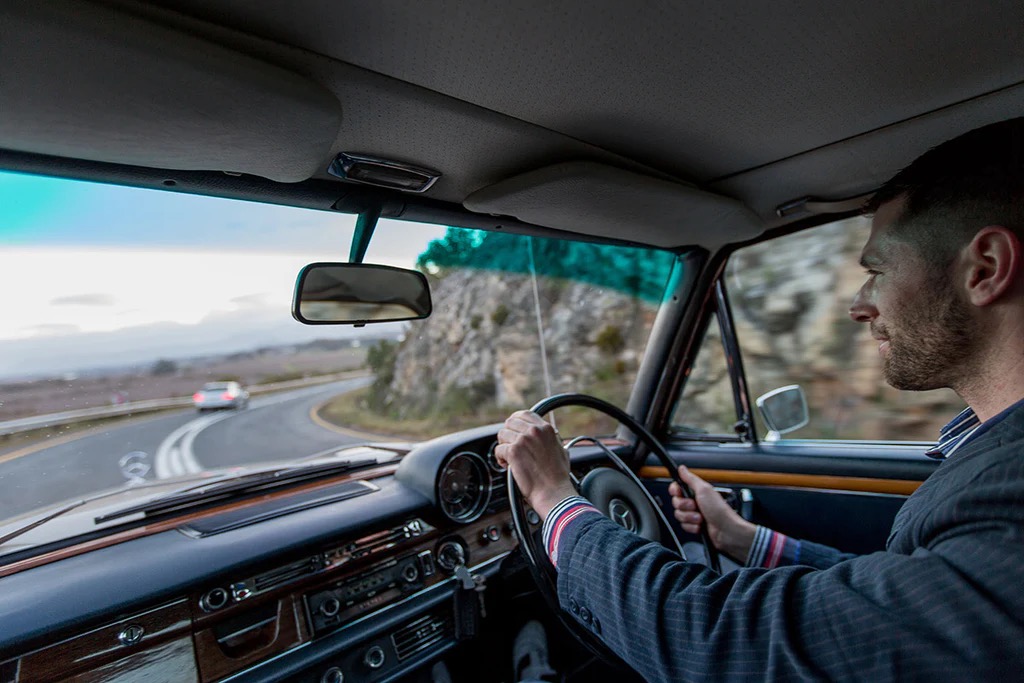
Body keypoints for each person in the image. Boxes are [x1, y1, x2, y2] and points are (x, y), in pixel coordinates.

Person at [494, 117, 1024, 681]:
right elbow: (892, 605)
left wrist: (555, 498)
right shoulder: (992, 461)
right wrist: (739, 537)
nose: (859, 305)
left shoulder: (1008, 495)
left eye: (877, 270)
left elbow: (735, 644)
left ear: (984, 268)